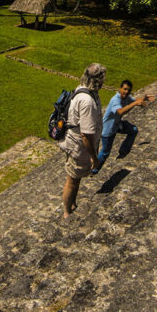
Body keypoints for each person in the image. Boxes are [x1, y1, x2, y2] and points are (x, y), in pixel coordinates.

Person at [61, 63, 104, 218]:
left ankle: (72, 204)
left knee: (76, 179)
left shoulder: (83, 90)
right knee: (72, 180)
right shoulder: (87, 101)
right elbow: (86, 134)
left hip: (77, 144)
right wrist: (93, 156)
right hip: (78, 147)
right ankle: (67, 212)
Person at [92, 79, 154, 175]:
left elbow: (136, 100)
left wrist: (144, 98)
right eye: (124, 89)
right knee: (105, 152)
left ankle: (123, 151)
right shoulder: (115, 100)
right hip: (108, 129)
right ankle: (94, 169)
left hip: (117, 125)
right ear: (120, 89)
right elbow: (120, 111)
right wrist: (134, 104)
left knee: (133, 130)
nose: (126, 92)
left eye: (128, 90)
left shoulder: (126, 97)